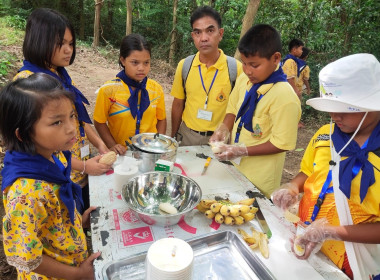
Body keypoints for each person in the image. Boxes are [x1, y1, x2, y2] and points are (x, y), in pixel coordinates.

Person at [272, 54, 380, 280]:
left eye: (344, 108)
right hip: (305, 242)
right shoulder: (325, 134)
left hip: (352, 263)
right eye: (330, 107)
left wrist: (331, 232)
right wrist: (292, 187)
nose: (334, 115)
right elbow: (309, 172)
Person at [0, 73, 101, 280]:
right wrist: (77, 274)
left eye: (72, 116)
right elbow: (28, 257)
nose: (72, 127)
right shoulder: (25, 194)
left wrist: (77, 222)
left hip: (70, 255)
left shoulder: (54, 156)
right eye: (56, 122)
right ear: (24, 134)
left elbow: (50, 218)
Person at [14, 8, 111, 214]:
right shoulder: (28, 86)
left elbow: (79, 119)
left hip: (79, 171)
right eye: (61, 44)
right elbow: (34, 146)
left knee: (81, 219)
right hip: (55, 178)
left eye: (70, 43)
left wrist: (100, 145)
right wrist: (83, 166)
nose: (68, 50)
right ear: (39, 41)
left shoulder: (61, 76)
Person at [209, 24, 301, 198]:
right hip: (233, 167)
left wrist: (242, 151)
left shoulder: (284, 97)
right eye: (244, 63)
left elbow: (281, 144)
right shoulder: (245, 79)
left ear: (275, 58)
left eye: (254, 65)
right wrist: (224, 128)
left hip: (258, 180)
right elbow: (233, 108)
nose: (247, 70)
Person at [170, 6, 243, 146]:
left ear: (220, 34)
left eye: (210, 31)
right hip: (187, 136)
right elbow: (178, 104)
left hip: (220, 139)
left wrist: (226, 134)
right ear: (193, 36)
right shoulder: (185, 66)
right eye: (198, 32)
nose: (203, 38)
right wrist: (173, 137)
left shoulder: (235, 69)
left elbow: (237, 109)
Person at [93, 34, 166, 155]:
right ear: (123, 60)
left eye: (146, 62)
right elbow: (99, 121)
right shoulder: (108, 90)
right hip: (122, 154)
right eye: (135, 62)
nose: (141, 68)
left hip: (149, 152)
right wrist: (112, 145)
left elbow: (162, 119)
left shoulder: (156, 89)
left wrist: (158, 143)